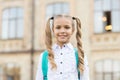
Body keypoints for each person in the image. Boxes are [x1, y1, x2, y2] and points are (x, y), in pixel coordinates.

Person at [36, 15, 89, 80]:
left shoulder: (80, 56)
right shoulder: (44, 56)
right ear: (53, 30)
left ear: (72, 30)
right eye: (58, 28)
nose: (62, 31)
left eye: (67, 27)